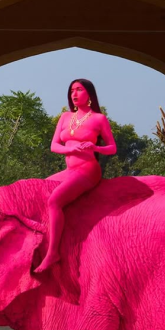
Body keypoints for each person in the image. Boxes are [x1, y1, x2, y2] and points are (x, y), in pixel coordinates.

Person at [34, 79, 117, 272]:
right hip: (69, 170)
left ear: (89, 94)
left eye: (79, 90)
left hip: (88, 169)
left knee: (54, 201)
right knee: (40, 188)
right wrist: (70, 150)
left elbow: (112, 148)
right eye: (72, 90)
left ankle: (53, 253)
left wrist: (95, 147)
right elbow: (54, 145)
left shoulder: (98, 118)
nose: (74, 94)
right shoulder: (64, 117)